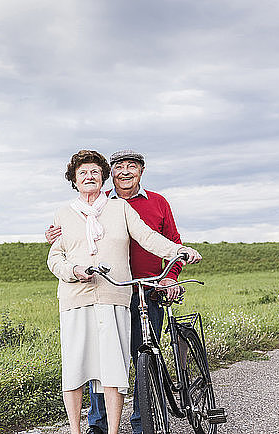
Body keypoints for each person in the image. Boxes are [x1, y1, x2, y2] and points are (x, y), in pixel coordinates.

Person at [47, 150, 201, 434]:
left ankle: (137, 425)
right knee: (83, 366)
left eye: (94, 172)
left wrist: (178, 253)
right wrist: (72, 268)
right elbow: (57, 255)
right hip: (82, 296)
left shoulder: (127, 207)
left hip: (130, 291)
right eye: (83, 173)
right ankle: (92, 427)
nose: (89, 176)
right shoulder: (66, 213)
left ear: (141, 171)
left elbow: (150, 237)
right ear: (75, 180)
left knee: (118, 364)